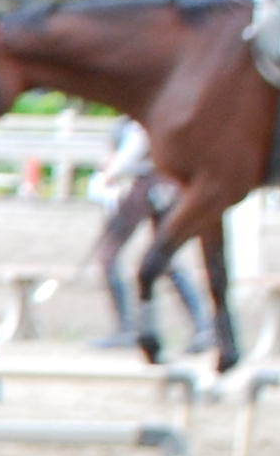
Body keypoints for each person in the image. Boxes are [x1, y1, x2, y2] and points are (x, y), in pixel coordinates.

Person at [84, 120, 212, 353]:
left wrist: (111, 173)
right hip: (162, 184)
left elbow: (137, 142)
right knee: (165, 258)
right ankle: (201, 326)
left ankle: (126, 328)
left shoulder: (139, 114)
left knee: (109, 254)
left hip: (143, 183)